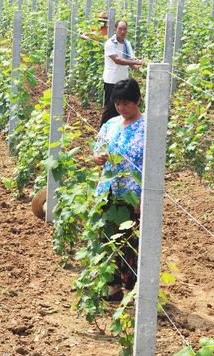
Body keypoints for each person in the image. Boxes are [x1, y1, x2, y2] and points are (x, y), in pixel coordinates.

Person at [92, 78, 145, 301]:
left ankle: (133, 289)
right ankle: (112, 286)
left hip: (132, 196)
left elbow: (152, 166)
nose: (121, 108)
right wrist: (99, 158)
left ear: (138, 100)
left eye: (126, 103)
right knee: (107, 237)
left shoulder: (148, 129)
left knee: (130, 243)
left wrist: (143, 200)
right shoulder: (110, 124)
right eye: (118, 103)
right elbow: (96, 154)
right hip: (107, 191)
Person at [101, 20, 142, 126]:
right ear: (115, 30)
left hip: (123, 82)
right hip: (111, 81)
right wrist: (135, 62)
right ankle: (102, 133)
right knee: (110, 108)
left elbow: (131, 61)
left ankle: (115, 132)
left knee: (121, 110)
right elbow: (117, 60)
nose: (122, 31)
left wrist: (139, 67)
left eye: (125, 29)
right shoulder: (110, 43)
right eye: (120, 29)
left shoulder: (127, 44)